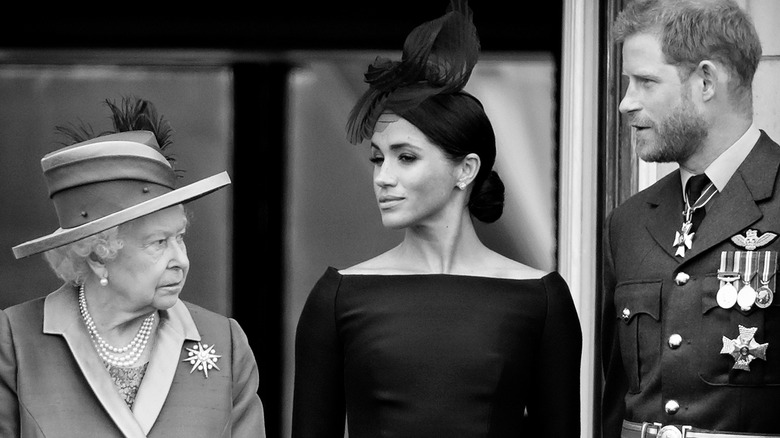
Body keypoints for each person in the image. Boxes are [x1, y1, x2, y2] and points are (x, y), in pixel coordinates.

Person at [291, 1, 582, 437]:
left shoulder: (541, 300)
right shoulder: (338, 296)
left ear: (465, 169)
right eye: (377, 159)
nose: (383, 178)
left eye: (405, 157)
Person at [0, 97, 266, 437]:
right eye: (158, 243)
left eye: (180, 238)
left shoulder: (226, 343)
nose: (181, 261)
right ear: (98, 256)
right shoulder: (14, 341)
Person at [601, 0, 780, 436]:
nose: (626, 103)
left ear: (705, 81)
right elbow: (618, 396)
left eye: (645, 82)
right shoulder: (629, 220)